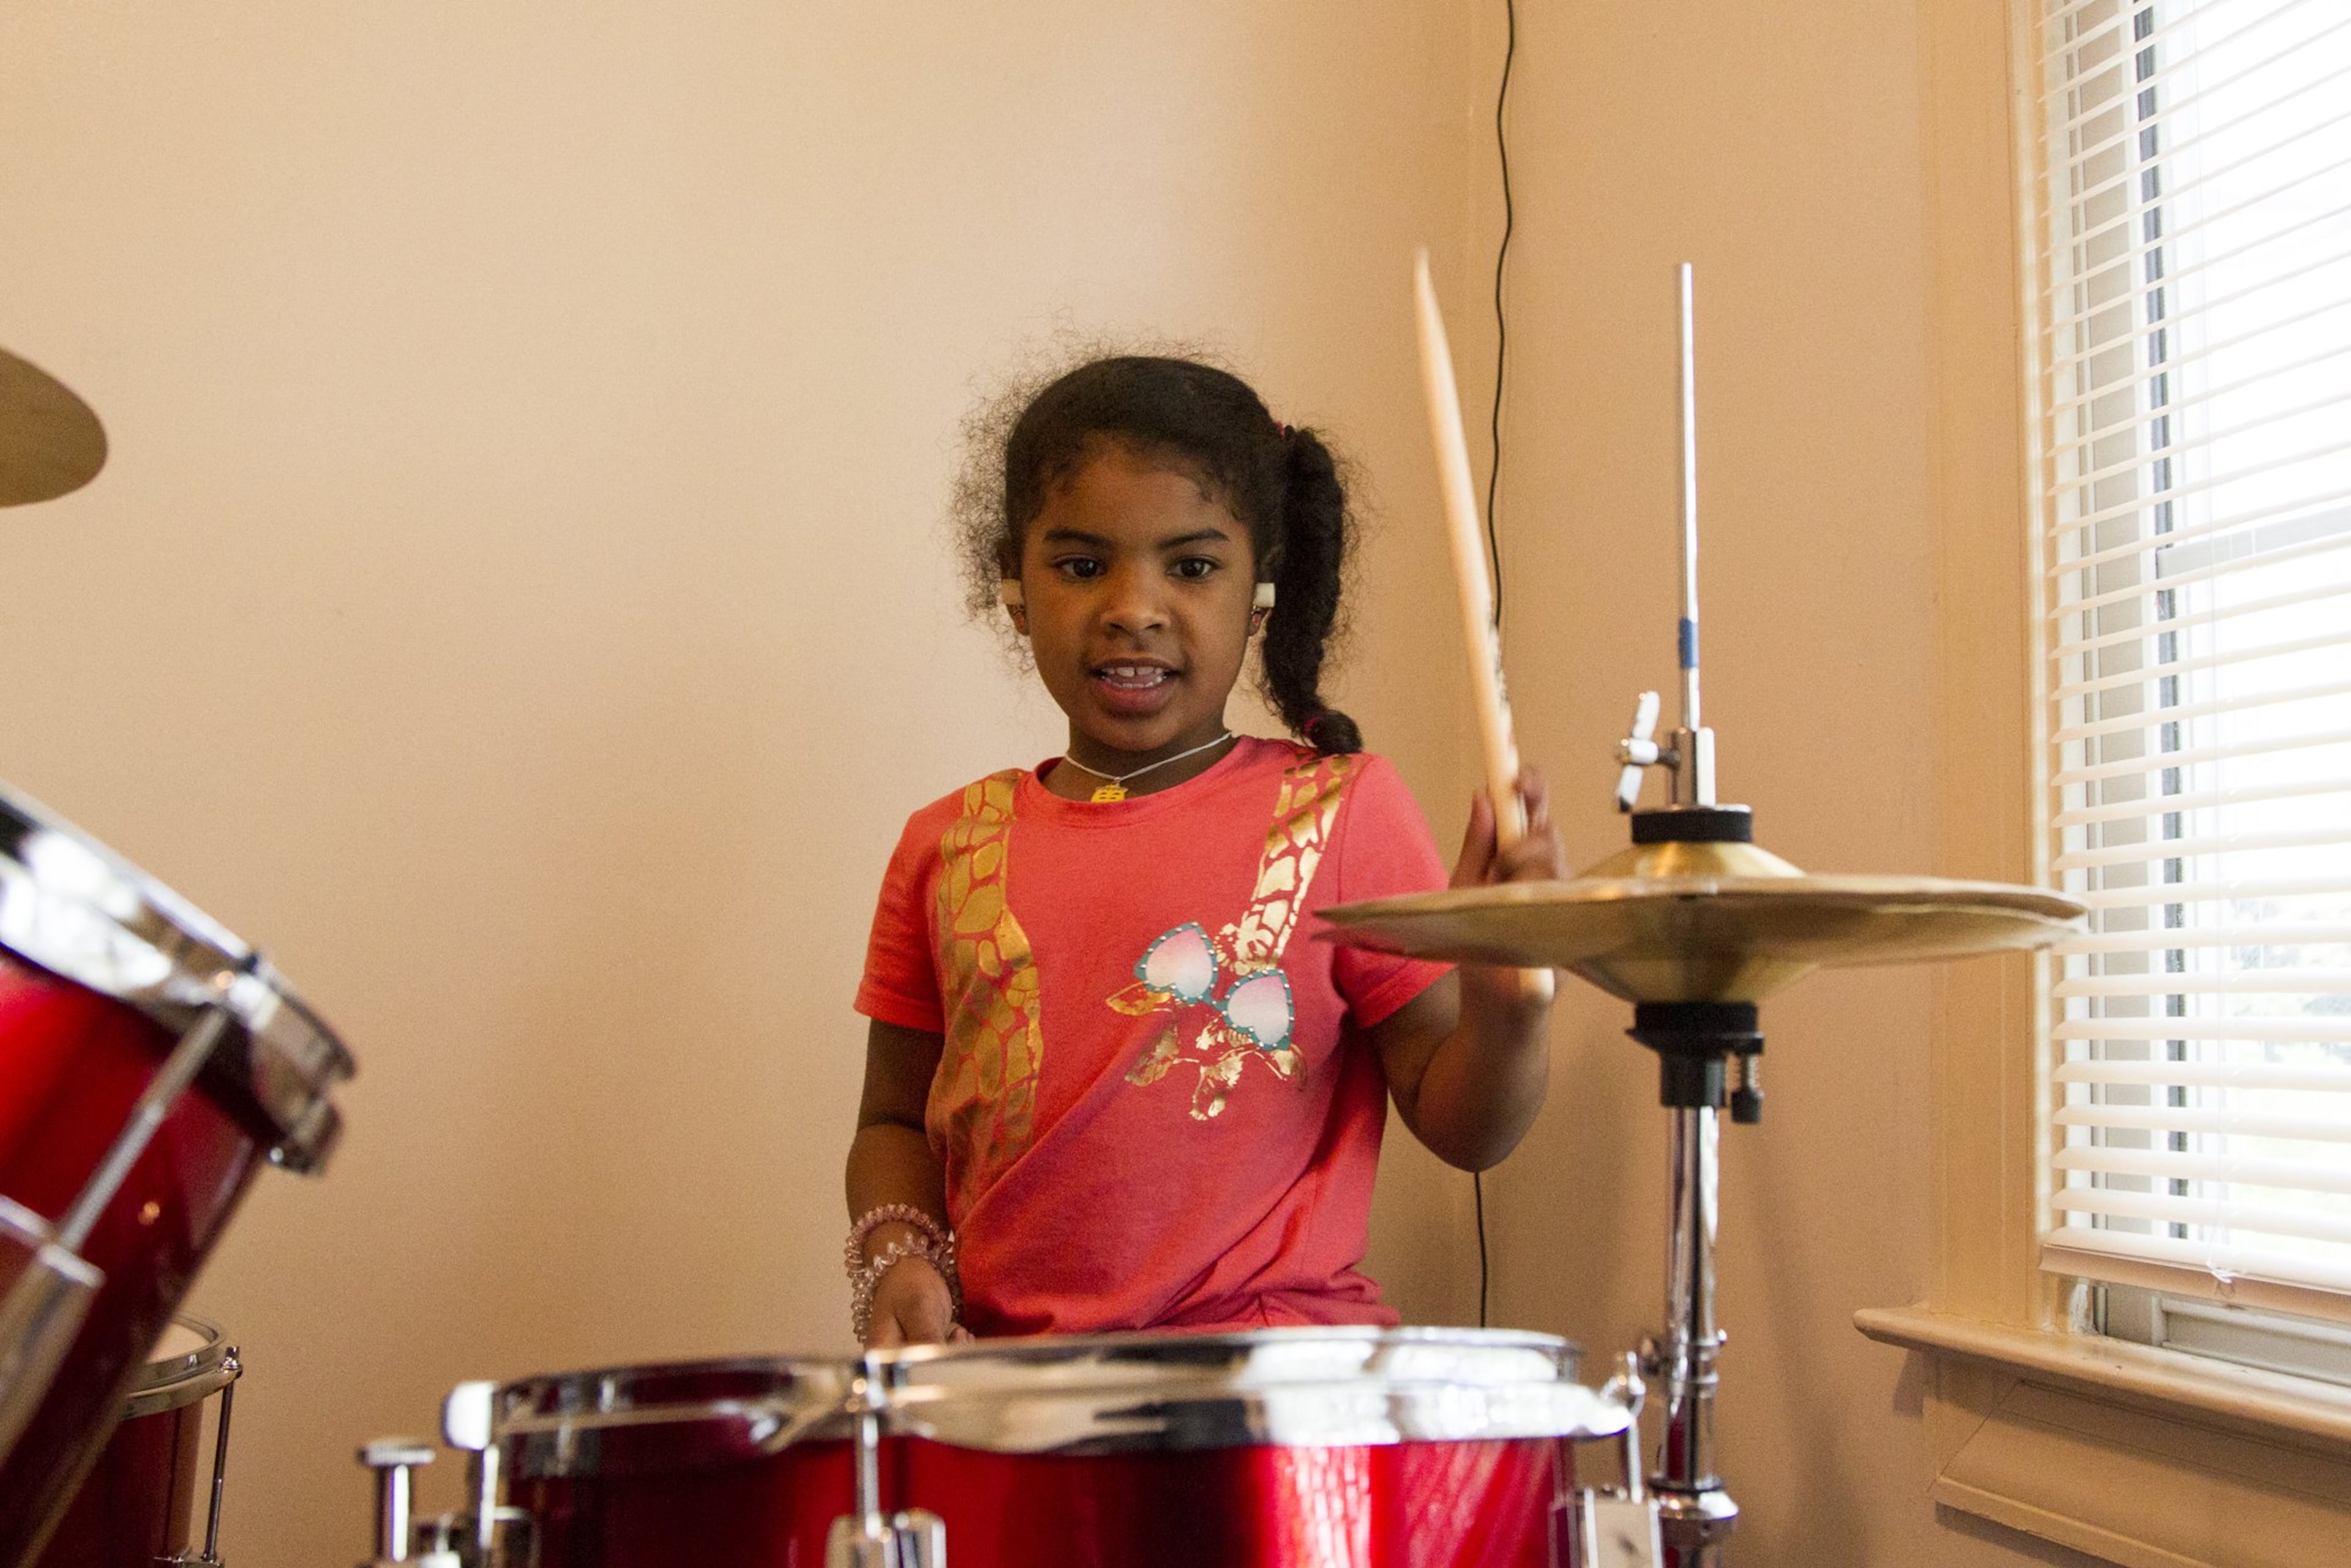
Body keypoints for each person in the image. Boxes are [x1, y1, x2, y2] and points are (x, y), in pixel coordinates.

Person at [844, 355, 1561, 1346]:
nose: (1135, 606)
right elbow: (890, 1124)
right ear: (1013, 584)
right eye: (1082, 564)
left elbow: (1469, 1128)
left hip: (1273, 1379)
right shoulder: (945, 847)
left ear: (1261, 589)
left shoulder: (1341, 812)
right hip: (1013, 1398)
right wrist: (899, 1254)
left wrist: (1509, 1000)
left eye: (1191, 565)